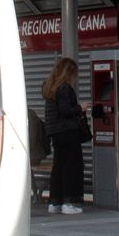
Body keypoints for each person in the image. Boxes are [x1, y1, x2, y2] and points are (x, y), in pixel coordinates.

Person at [41, 56, 86, 214]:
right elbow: (66, 111)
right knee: (71, 167)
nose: (75, 78)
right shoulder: (64, 88)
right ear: (69, 73)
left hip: (55, 133)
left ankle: (55, 203)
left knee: (59, 167)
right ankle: (69, 203)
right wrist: (81, 107)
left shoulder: (50, 87)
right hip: (67, 131)